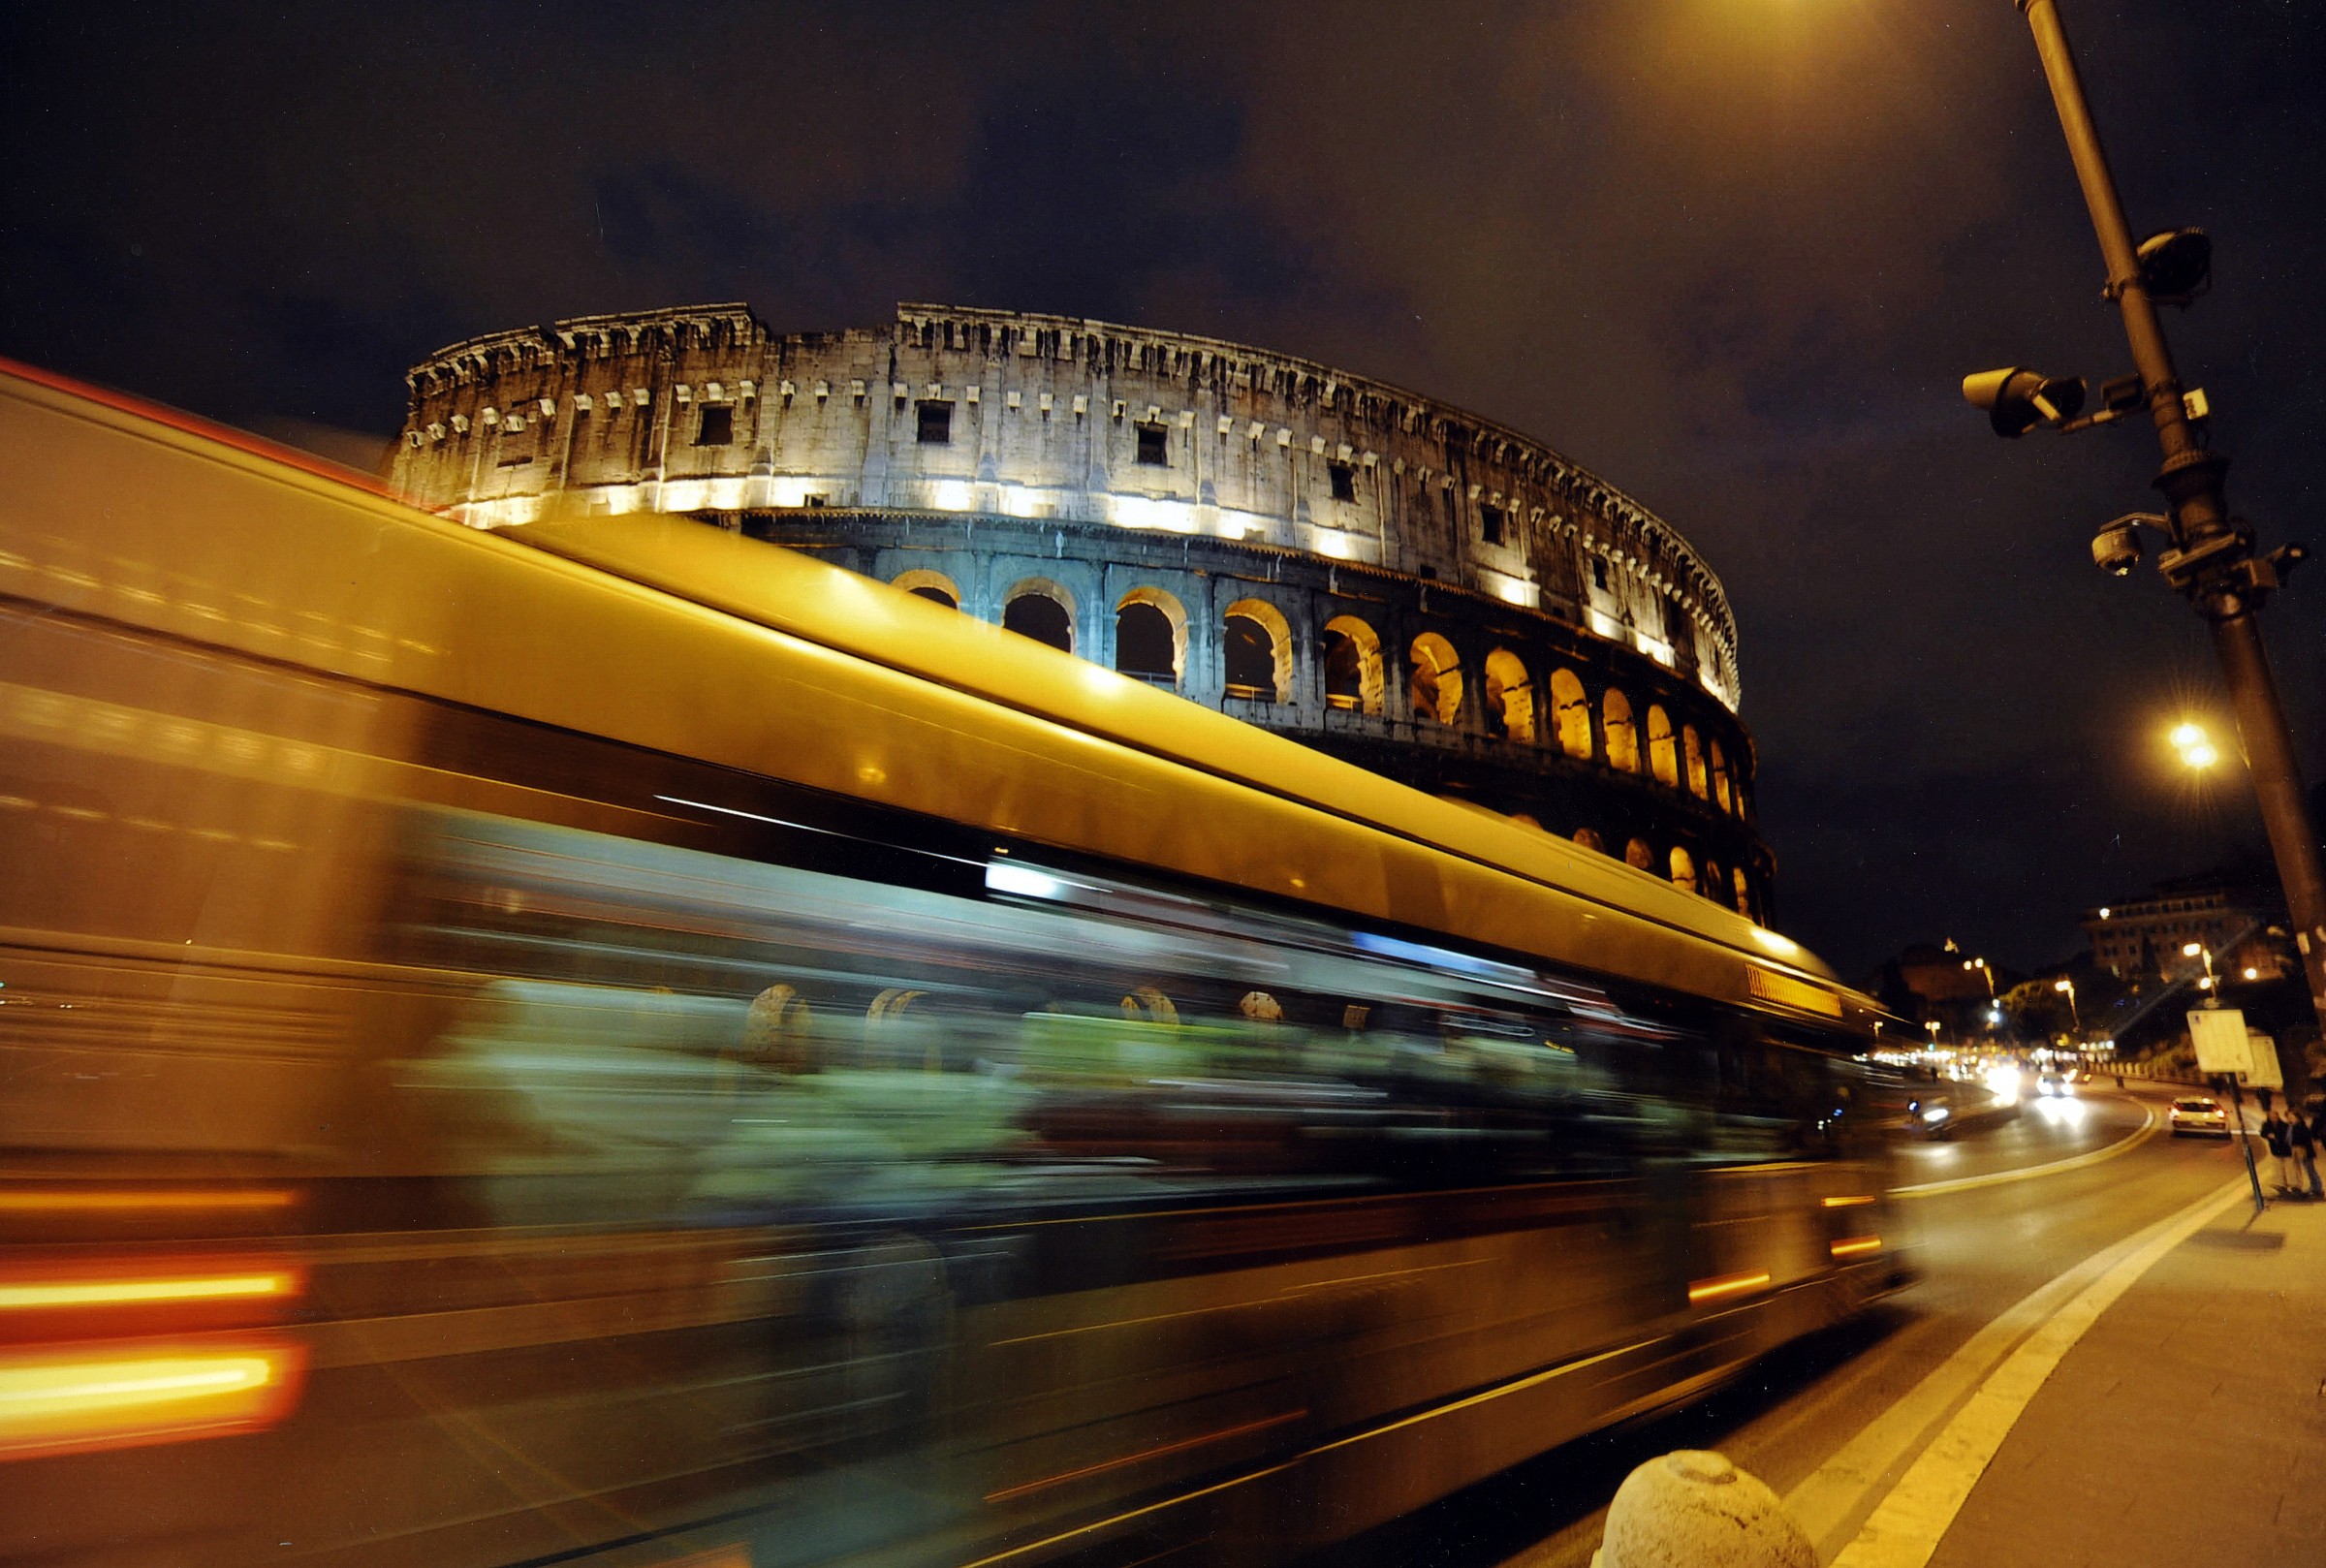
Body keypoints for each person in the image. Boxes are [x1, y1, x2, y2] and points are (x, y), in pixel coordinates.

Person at [2260, 1111, 2296, 1197]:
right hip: (2275, 1150)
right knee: (2278, 1167)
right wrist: (2268, 1135)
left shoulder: (2283, 1125)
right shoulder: (2266, 1125)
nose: (2274, 1119)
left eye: (2275, 1117)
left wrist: (2275, 1136)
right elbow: (2263, 1133)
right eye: (2271, 1117)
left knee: (2289, 1168)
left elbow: (2285, 1136)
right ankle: (2281, 1184)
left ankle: (2292, 1185)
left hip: (2285, 1149)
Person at [2298, 1107, 2325, 1200]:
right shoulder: (2320, 1116)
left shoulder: (2320, 1116)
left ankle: (2318, 1188)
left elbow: (2314, 1128)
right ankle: (2318, 1188)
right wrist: (2318, 1140)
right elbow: (2315, 1128)